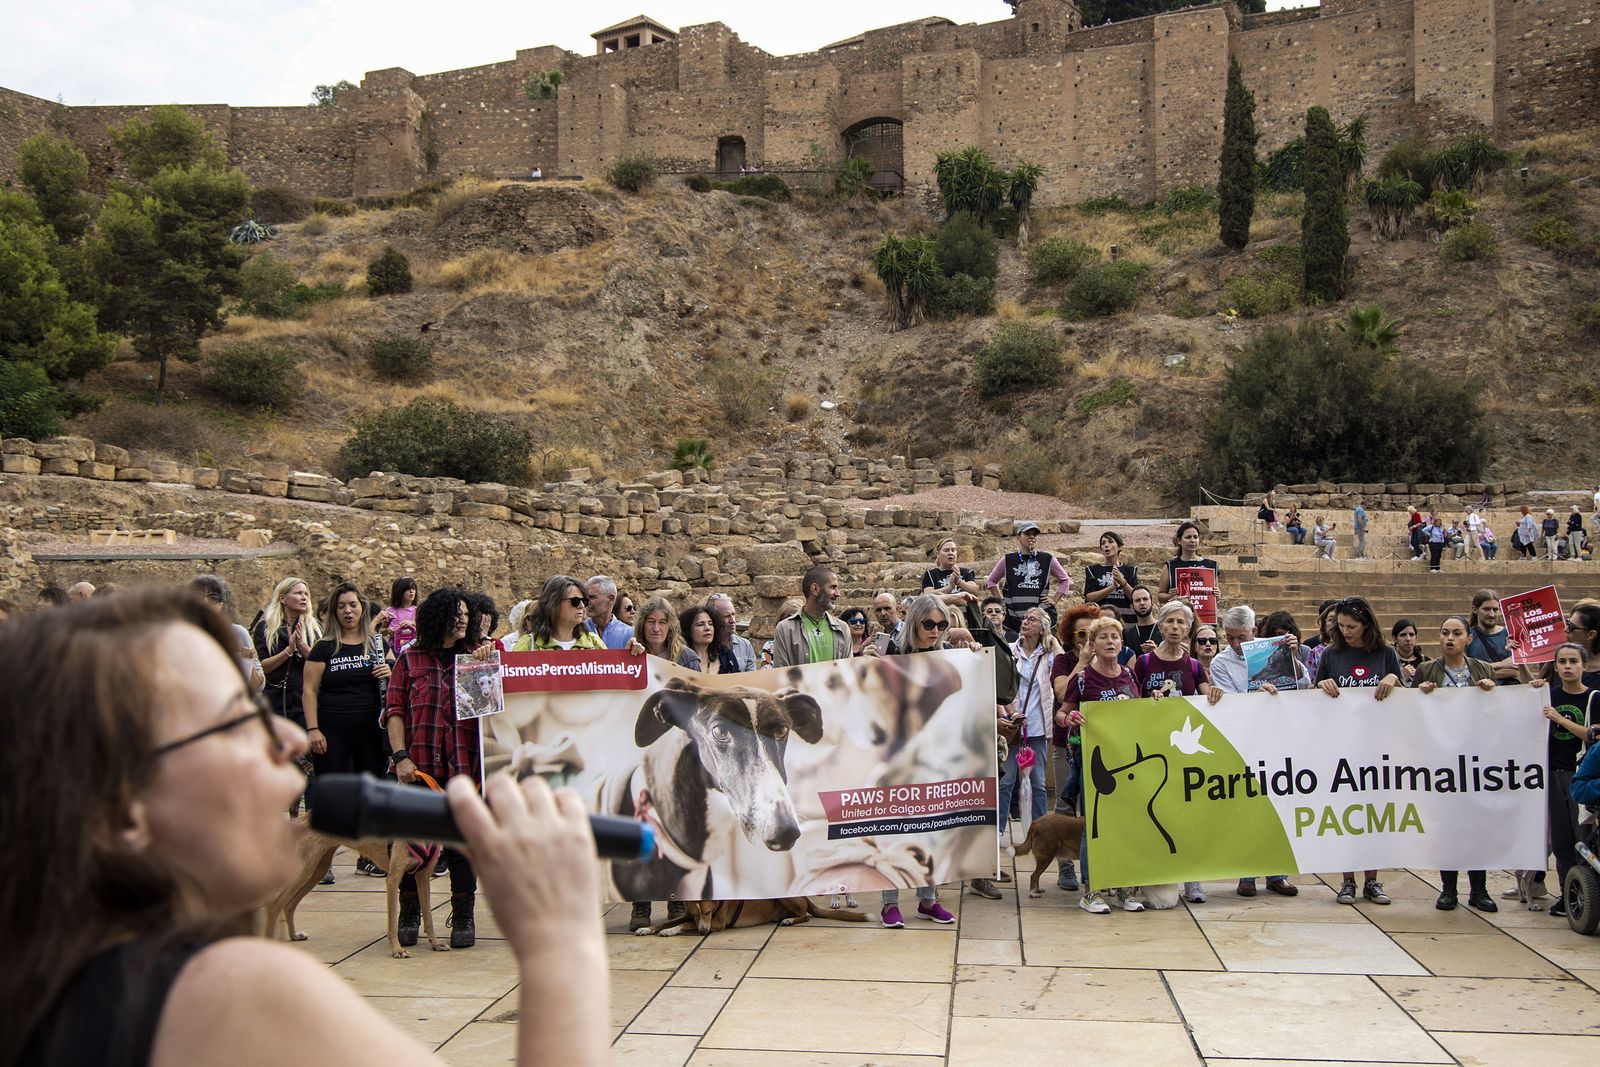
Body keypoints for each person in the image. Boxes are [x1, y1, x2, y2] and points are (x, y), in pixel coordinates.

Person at [4, 589, 612, 1067]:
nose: (288, 737)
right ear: (124, 813)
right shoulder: (226, 995)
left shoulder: (43, 992)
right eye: (234, 722)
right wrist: (563, 950)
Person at [386, 588, 485, 947]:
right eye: (456, 614)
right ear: (437, 616)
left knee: (461, 845)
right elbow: (394, 710)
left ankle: (463, 915)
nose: (463, 620)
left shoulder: (477, 658)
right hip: (419, 767)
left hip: (463, 767)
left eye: (467, 614)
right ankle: (409, 911)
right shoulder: (409, 659)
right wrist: (401, 757)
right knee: (412, 845)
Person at [1206, 605, 1303, 898]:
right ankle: (1246, 874)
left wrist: (1292, 657)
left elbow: (1304, 684)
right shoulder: (1220, 662)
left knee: (1279, 806)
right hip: (1244, 740)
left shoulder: (1275, 650)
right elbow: (1229, 701)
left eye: (1241, 637)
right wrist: (1254, 698)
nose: (1236, 644)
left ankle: (1278, 874)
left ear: (1254, 631)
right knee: (1246, 808)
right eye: (1230, 638)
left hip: (1277, 737)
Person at [1314, 595, 1401, 906]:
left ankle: (1372, 880)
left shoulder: (1386, 654)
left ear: (1366, 624)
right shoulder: (1331, 654)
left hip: (1377, 745)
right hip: (1342, 744)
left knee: (1373, 814)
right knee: (1347, 813)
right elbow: (1314, 694)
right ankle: (1347, 880)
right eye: (1341, 626)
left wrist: (1393, 678)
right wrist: (1321, 685)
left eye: (1351, 626)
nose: (1346, 631)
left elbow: (1405, 697)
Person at [1410, 616, 1500, 912]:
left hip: (1475, 759)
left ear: (1468, 638)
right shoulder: (1427, 669)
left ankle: (1479, 889)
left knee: (1476, 826)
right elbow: (1409, 710)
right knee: (1447, 826)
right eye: (1445, 633)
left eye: (1457, 633)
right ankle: (1448, 888)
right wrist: (1420, 694)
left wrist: (1491, 690)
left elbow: (1497, 711)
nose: (1450, 638)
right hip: (1441, 761)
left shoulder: (1483, 669)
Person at [879, 595, 958, 927]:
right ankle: (889, 902)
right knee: (893, 828)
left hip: (934, 755)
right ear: (914, 623)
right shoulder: (892, 654)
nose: (935, 631)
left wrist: (973, 657)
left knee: (931, 828)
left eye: (941, 625)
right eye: (929, 624)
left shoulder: (949, 655)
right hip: (897, 755)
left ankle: (929, 898)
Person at [304, 581, 392, 878]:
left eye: (353, 605)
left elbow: (399, 680)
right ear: (334, 611)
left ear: (362, 608)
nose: (348, 611)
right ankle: (322, 859)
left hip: (370, 732)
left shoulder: (377, 645)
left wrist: (389, 670)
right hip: (332, 732)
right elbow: (309, 690)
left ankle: (367, 856)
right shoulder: (324, 647)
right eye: (341, 606)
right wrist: (313, 729)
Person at [1058, 617, 1145, 914]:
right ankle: (1091, 890)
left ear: (1121, 643)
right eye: (1103, 637)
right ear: (1091, 644)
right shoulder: (1083, 678)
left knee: (1125, 823)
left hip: (1127, 760)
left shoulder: (1130, 675)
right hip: (1095, 763)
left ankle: (1122, 888)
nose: (1110, 641)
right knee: (1094, 825)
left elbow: (1140, 712)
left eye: (1115, 637)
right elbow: (1061, 714)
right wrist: (1070, 719)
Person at [984, 606, 1053, 901]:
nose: (1025, 622)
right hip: (1010, 727)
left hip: (1036, 728)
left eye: (1032, 619)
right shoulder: (1010, 650)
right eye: (1024, 618)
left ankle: (1043, 836)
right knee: (1005, 781)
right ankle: (996, 838)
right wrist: (1007, 714)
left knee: (1038, 784)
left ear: (1043, 627)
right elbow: (999, 685)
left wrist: (1053, 643)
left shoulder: (1050, 654)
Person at [1527, 643, 1597, 917]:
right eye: (1562, 662)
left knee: (1584, 837)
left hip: (1581, 776)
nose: (1567, 666)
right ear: (1555, 667)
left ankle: (1588, 894)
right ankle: (1568, 894)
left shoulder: (1594, 698)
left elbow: (1592, 735)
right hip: (1552, 774)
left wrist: (1559, 718)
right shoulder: (1549, 696)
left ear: (1584, 666)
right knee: (1560, 840)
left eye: (1573, 661)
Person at [253, 577, 322, 733]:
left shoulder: (315, 628)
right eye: (298, 593)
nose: (304, 597)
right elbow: (263, 666)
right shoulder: (265, 627)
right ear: (283, 598)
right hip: (275, 700)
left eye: (306, 594)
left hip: (306, 701)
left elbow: (322, 665)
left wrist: (302, 646)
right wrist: (288, 651)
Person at [986, 521, 1071, 636]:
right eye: (1027, 534)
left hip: (1039, 617)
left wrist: (1054, 600)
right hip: (1012, 618)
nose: (1031, 537)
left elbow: (1065, 580)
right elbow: (991, 581)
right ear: (1019, 537)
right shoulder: (1008, 560)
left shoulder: (1047, 559)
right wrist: (1001, 602)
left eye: (1034, 534)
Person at [190, 575, 264, 693]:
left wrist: (246, 661)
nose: (205, 602)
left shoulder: (237, 633)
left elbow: (258, 686)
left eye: (213, 598)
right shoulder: (180, 634)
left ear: (221, 604)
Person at [772, 567, 851, 667]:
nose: (838, 594)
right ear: (815, 589)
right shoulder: (785, 629)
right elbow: (781, 672)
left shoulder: (842, 629)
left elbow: (848, 670)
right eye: (833, 587)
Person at [1134, 601, 1212, 702]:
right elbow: (1133, 698)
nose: (1175, 626)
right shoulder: (1144, 661)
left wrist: (1215, 692)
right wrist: (1149, 699)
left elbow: (1208, 698)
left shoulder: (1195, 665)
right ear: (1160, 627)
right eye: (1170, 621)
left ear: (1187, 629)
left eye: (1180, 622)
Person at [517, 576, 607, 652]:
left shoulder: (594, 643)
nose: (582, 606)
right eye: (575, 601)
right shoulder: (528, 644)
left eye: (584, 601)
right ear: (553, 603)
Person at [1156, 521, 1220, 620]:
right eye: (1188, 537)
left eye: (1195, 537)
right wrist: (1170, 596)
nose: (1192, 540)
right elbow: (1160, 596)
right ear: (1179, 540)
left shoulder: (1211, 566)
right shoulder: (1170, 566)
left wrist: (1217, 595)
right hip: (1180, 618)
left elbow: (1215, 595)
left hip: (1205, 620)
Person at [1464, 589, 1520, 685]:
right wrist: (1501, 664)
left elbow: (1514, 671)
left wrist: (1479, 672)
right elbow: (1464, 671)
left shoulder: (1510, 634)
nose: (1491, 614)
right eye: (1486, 609)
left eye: (1495, 609)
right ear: (1475, 609)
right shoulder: (1467, 636)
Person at [1084, 531, 1138, 622]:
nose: (1106, 545)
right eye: (1103, 543)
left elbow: (1136, 597)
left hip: (1127, 622)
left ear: (1119, 546)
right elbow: (1090, 597)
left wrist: (1122, 582)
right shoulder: (1092, 570)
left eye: (1110, 542)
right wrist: (1113, 587)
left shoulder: (1130, 570)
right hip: (1100, 621)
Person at [921, 537, 981, 613]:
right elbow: (928, 595)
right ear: (938, 554)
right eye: (946, 550)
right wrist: (949, 587)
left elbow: (975, 591)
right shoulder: (930, 574)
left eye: (953, 550)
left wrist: (959, 582)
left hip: (966, 614)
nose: (950, 553)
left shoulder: (966, 572)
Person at [680, 605, 740, 674]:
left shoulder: (726, 655)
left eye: (710, 624)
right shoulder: (680, 657)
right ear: (688, 630)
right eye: (700, 624)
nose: (707, 628)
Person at [707, 593, 758, 672]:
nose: (732, 620)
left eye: (733, 615)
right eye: (727, 616)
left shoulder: (745, 645)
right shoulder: (705, 646)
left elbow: (752, 676)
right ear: (714, 619)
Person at [583, 575, 632, 649]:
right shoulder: (578, 630)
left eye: (592, 597)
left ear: (611, 599)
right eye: (586, 598)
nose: (587, 602)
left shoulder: (628, 634)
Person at [375, 577, 419, 653]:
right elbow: (380, 631)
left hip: (413, 649)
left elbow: (424, 630)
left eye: (413, 589)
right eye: (407, 589)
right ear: (399, 591)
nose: (411, 591)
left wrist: (413, 623)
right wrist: (388, 631)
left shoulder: (417, 611)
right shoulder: (390, 611)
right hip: (395, 649)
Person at [1123, 587, 1159, 655]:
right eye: (1138, 600)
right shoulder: (1127, 635)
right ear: (1132, 607)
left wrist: (1157, 652)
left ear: (1152, 603)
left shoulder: (1164, 630)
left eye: (1145, 599)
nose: (1142, 603)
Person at [1391, 618, 1427, 685]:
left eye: (1411, 635)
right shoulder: (1389, 662)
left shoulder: (1426, 662)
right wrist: (1402, 677)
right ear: (1395, 638)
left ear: (1416, 637)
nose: (1408, 639)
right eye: (1403, 635)